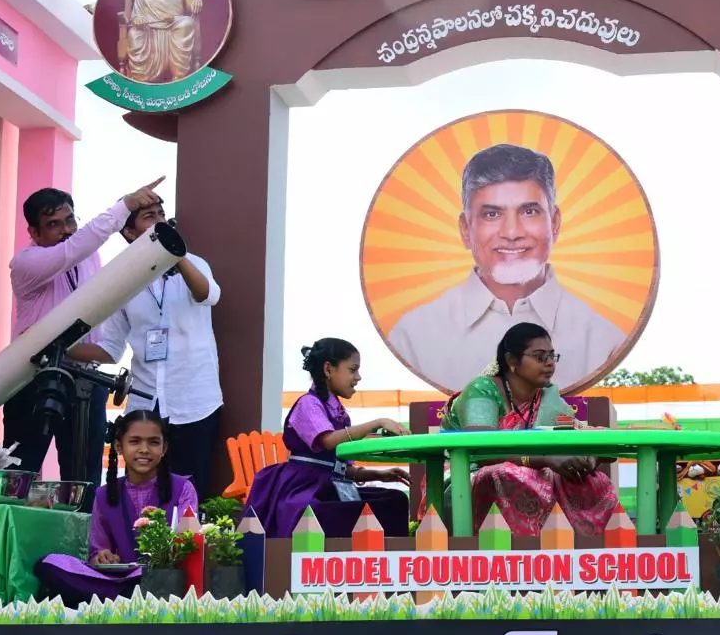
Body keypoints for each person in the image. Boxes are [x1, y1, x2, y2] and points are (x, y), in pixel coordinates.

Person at [389, 143, 625, 391]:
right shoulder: (412, 337)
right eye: (492, 214)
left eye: (529, 211)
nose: (512, 233)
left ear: (554, 223)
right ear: (465, 229)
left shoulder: (604, 340)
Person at [4, 177, 165, 509]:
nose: (66, 230)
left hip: (85, 380)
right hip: (33, 379)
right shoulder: (26, 262)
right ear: (33, 233)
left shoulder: (89, 259)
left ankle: (83, 555)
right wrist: (125, 205)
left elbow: (99, 330)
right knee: (22, 472)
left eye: (70, 220)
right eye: (52, 224)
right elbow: (72, 250)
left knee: (84, 479)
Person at [90, 200, 223, 498]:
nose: (160, 221)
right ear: (128, 232)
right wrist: (57, 348)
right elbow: (110, 349)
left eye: (162, 215)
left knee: (190, 491)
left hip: (194, 401)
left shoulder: (194, 264)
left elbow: (207, 295)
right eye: (150, 217)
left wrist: (177, 255)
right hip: (145, 402)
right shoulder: (122, 280)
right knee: (141, 491)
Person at [440, 322, 618, 536]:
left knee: (581, 477)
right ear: (512, 360)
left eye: (552, 356)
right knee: (509, 474)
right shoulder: (482, 390)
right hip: (466, 476)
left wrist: (588, 457)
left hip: (532, 471)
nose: (550, 363)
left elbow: (579, 433)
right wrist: (543, 459)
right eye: (540, 356)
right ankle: (522, 552)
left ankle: (578, 552)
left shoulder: (548, 399)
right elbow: (480, 449)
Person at [245, 339, 410, 538]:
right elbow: (328, 441)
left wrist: (380, 475)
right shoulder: (309, 404)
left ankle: (380, 562)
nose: (358, 377)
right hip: (304, 487)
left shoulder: (340, 414)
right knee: (315, 512)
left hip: (331, 487)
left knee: (395, 500)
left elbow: (342, 469)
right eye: (352, 369)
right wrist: (377, 423)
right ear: (328, 369)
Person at [36, 411, 198, 604]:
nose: (144, 449)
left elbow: (189, 542)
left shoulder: (183, 488)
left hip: (166, 578)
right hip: (121, 579)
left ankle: (126, 598)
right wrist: (103, 557)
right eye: (135, 441)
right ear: (119, 447)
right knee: (49, 564)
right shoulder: (104, 494)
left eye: (154, 442)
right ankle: (129, 596)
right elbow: (98, 551)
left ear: (164, 449)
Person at [126, 0, 203, 83]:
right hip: (149, 26)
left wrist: (196, 2)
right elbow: (135, 17)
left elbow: (191, 6)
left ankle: (179, 76)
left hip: (174, 23)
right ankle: (140, 78)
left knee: (186, 22)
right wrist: (138, 21)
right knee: (134, 33)